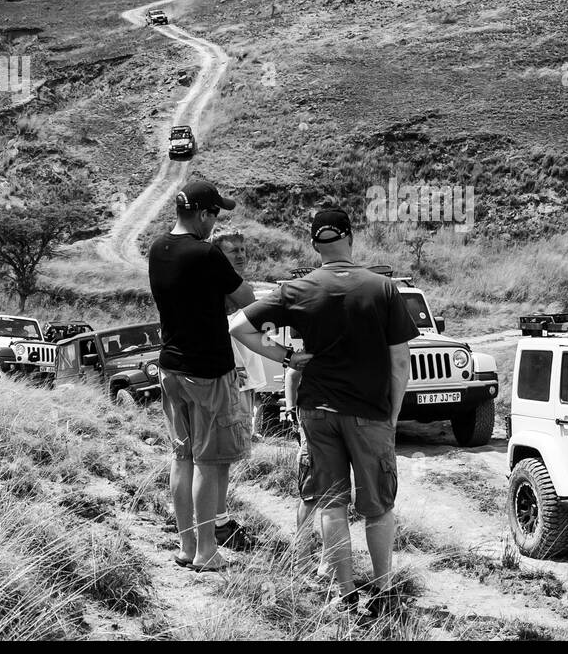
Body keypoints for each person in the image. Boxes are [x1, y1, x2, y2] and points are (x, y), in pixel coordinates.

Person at [230, 208, 418, 609]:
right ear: (351, 238)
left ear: (314, 244)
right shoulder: (383, 288)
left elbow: (238, 326)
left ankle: (345, 592)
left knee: (332, 504)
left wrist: (285, 357)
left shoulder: (297, 289)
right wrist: (394, 414)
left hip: (317, 410)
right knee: (378, 508)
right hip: (371, 412)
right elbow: (400, 363)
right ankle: (384, 591)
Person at [147, 179, 260, 571]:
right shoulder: (207, 254)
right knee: (208, 462)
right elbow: (248, 301)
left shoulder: (157, 249)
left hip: (171, 368)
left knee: (182, 457)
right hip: (208, 371)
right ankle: (207, 551)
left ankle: (186, 546)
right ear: (201, 213)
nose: (215, 222)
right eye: (214, 214)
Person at [208, 228, 267, 550]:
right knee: (221, 453)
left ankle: (217, 515)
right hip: (227, 375)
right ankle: (217, 520)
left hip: (242, 377)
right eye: (234, 251)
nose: (242, 255)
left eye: (244, 249)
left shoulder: (241, 287)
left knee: (228, 453)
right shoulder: (223, 289)